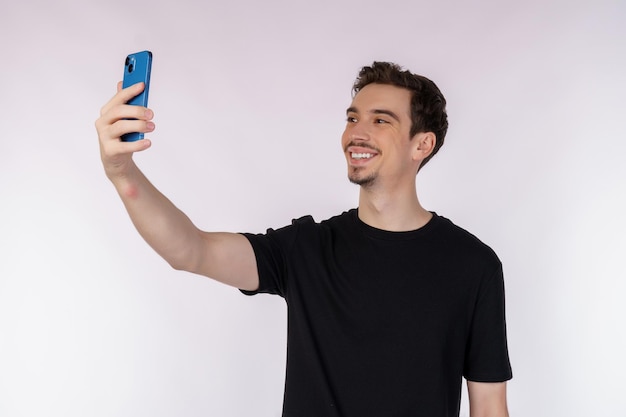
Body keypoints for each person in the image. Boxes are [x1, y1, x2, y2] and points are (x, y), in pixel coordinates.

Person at [95, 61, 512, 416]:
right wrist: (122, 173)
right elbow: (190, 250)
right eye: (352, 118)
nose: (356, 133)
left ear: (422, 144)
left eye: (380, 120)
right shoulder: (306, 248)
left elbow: (490, 406)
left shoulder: (473, 266)